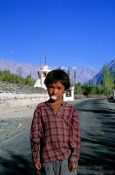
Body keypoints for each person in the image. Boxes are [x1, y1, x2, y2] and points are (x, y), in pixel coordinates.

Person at [30, 69, 80, 175]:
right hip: (47, 159)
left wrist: (74, 158)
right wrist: (36, 158)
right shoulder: (40, 109)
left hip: (66, 159)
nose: (54, 91)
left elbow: (75, 137)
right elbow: (35, 136)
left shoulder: (71, 110)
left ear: (65, 90)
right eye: (51, 87)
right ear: (47, 87)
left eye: (58, 88)